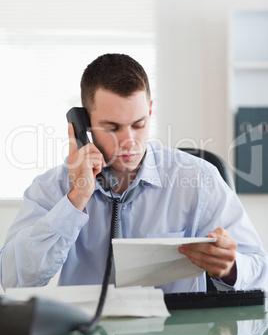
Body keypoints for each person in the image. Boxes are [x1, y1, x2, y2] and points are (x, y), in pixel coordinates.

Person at [0, 53, 267, 293]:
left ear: (150, 111)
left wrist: (230, 268)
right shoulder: (52, 187)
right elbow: (13, 280)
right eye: (112, 127)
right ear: (83, 125)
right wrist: (76, 199)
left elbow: (259, 272)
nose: (129, 141)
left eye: (139, 124)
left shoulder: (199, 179)